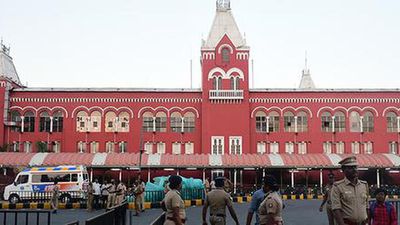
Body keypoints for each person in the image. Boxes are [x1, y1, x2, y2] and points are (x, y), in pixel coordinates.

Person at [331, 156, 369, 225]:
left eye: (355, 167)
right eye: (350, 168)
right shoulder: (338, 186)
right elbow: (336, 209)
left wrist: (367, 222)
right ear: (343, 169)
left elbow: (366, 206)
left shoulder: (364, 185)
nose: (354, 170)